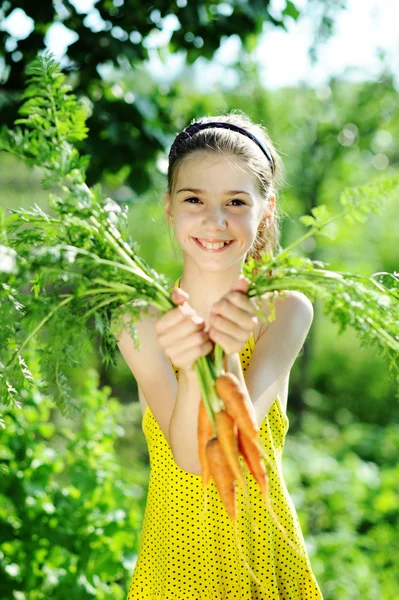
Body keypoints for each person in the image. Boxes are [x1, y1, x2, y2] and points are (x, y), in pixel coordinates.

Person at [117, 111, 324, 599]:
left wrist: (226, 355)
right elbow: (191, 458)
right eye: (195, 199)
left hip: (259, 548)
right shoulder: (141, 320)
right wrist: (193, 368)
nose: (216, 220)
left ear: (265, 209)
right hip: (177, 555)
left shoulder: (284, 311)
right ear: (169, 208)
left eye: (236, 201)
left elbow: (230, 446)